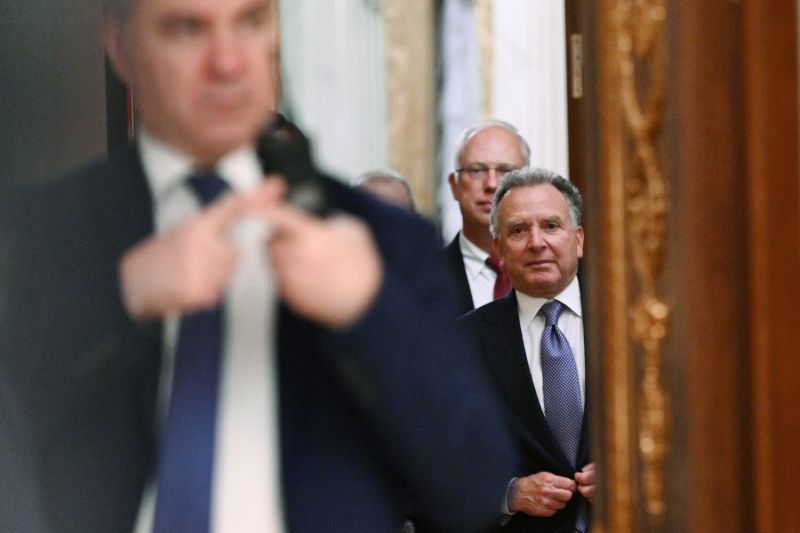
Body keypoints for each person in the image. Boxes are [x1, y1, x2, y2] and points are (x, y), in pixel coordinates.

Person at [0, 0, 519, 531]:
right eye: (187, 28)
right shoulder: (38, 234)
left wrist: (371, 313)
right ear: (121, 48)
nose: (228, 62)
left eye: (249, 22)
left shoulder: (384, 238)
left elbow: (475, 485)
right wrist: (118, 301)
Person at [460, 167, 595, 532]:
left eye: (551, 226)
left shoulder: (633, 324)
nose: (536, 242)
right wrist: (508, 494)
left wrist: (630, 475)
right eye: (518, 230)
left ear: (578, 239)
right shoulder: (463, 343)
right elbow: (435, 463)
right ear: (499, 250)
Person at [443, 120, 530, 315]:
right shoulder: (422, 280)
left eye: (506, 171)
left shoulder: (568, 275)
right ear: (454, 185)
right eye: (477, 170)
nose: (491, 184)